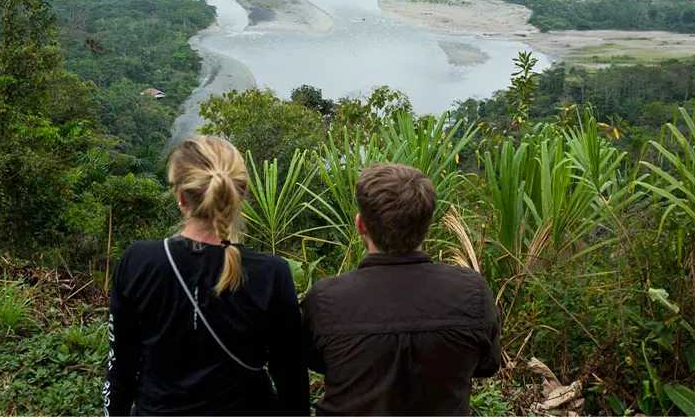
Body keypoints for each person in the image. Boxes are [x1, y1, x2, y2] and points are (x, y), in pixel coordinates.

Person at [103, 136, 310, 417]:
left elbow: (120, 370)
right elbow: (292, 382)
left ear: (181, 197)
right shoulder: (271, 273)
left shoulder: (139, 262)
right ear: (241, 193)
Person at [302, 163, 502, 417]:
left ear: (361, 225)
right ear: (428, 222)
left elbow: (317, 361)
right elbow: (487, 365)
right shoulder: (472, 292)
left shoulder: (326, 299)